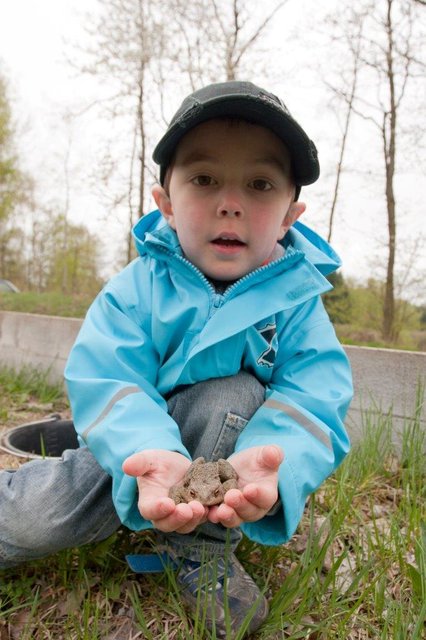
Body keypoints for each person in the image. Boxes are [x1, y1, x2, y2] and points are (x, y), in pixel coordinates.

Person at [0, 81, 353, 638]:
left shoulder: (297, 305)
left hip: (223, 479)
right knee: (38, 520)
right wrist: (146, 450)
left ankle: (198, 546)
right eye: (204, 179)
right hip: (131, 456)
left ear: (290, 214)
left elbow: (317, 395)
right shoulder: (135, 290)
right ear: (166, 203)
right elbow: (107, 376)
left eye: (260, 184)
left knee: (234, 389)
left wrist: (277, 460)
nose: (230, 201)